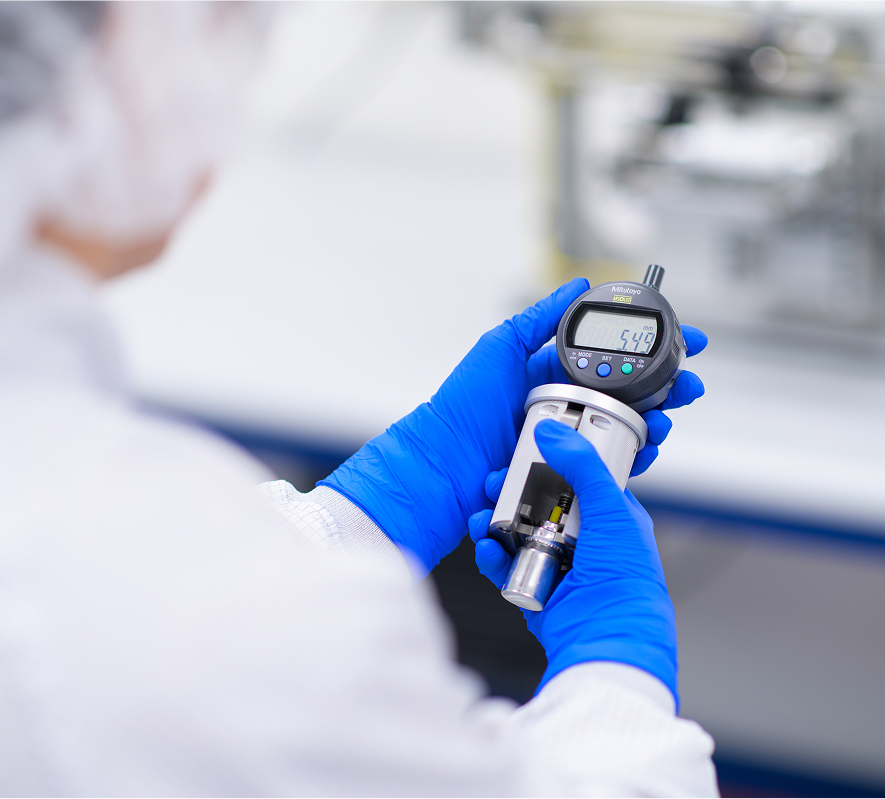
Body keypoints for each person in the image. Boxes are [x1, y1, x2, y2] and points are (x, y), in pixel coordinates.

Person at [0, 3, 718, 796]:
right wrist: (616, 667)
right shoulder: (181, 591)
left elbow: (143, 593)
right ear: (104, 87)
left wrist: (380, 501)